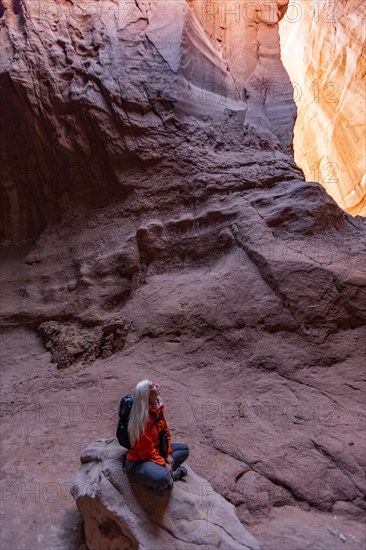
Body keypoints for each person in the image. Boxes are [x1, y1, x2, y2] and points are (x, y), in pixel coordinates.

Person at [125, 379, 189, 496]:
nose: (157, 385)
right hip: (140, 461)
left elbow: (166, 433)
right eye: (152, 386)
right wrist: (165, 464)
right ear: (147, 394)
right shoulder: (141, 420)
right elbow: (146, 452)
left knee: (184, 450)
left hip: (157, 452)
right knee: (163, 478)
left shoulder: (157, 408)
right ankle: (168, 477)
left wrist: (168, 455)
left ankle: (165, 474)